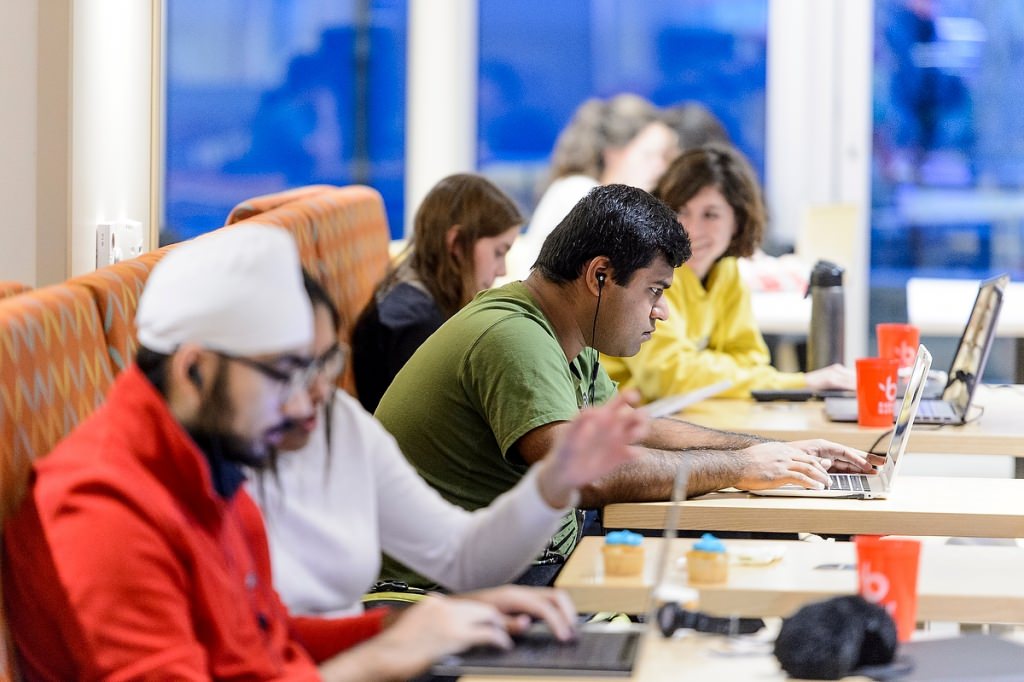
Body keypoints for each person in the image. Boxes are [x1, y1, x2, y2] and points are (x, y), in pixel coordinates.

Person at [1, 225, 641, 680]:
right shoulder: (103, 504)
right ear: (195, 369)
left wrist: (410, 628)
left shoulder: (209, 467)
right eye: (284, 374)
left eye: (322, 367)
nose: (305, 403)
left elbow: (261, 645)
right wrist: (377, 659)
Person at [375, 184, 880, 589]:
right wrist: (740, 468)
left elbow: (636, 433)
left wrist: (772, 452)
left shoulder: (569, 331)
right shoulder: (514, 338)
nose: (661, 311)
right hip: (443, 592)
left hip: (536, 562)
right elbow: (586, 476)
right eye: (654, 291)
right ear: (599, 276)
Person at [253, 272, 646, 616]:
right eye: (292, 370)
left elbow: (460, 556)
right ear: (195, 371)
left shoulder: (339, 422)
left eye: (325, 363)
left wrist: (554, 484)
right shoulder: (214, 485)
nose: (320, 391)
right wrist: (401, 635)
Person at [603, 144, 855, 399]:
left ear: (737, 221)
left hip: (679, 418)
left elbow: (752, 359)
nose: (691, 230)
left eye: (710, 215)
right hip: (614, 426)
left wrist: (699, 365)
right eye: (680, 211)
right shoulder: (647, 270)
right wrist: (791, 382)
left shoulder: (726, 271)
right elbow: (668, 377)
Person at [352, 173, 523, 412]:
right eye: (498, 252)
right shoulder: (415, 324)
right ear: (457, 243)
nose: (502, 270)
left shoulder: (420, 296)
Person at [509, 94, 678, 278]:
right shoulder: (578, 192)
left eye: (664, 158)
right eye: (649, 155)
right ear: (613, 153)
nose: (661, 168)